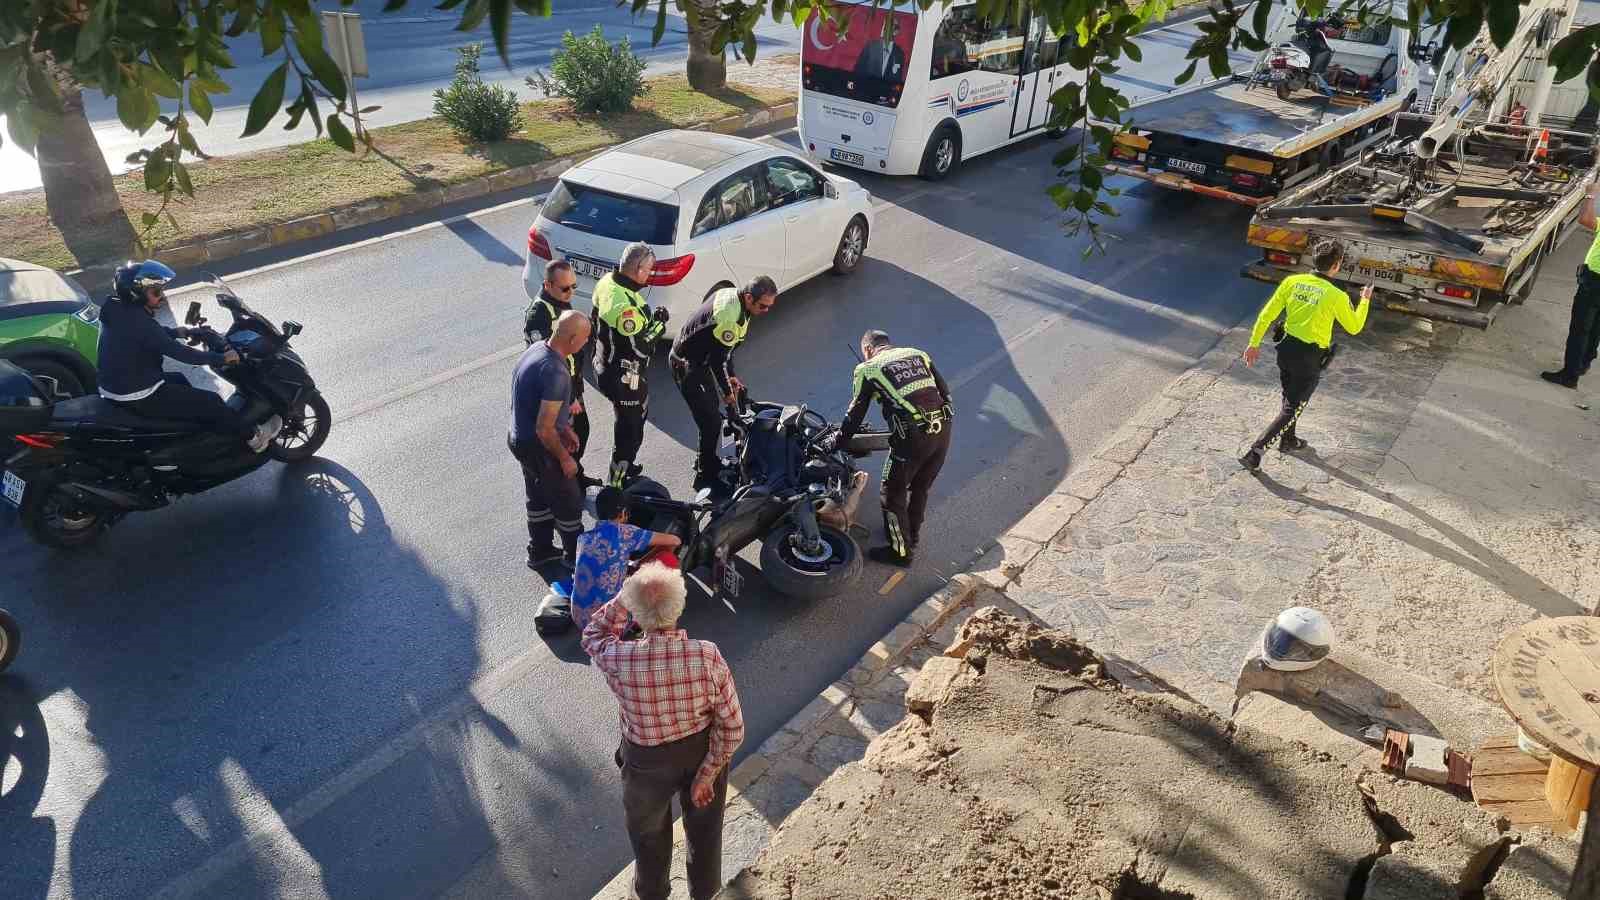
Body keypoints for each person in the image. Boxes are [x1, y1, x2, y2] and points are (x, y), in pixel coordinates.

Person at [582, 562, 744, 900]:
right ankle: (706, 893)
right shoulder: (707, 655)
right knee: (705, 834)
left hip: (644, 764)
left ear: (636, 615)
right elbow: (731, 727)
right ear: (680, 605)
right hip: (700, 751)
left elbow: (592, 634)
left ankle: (652, 893)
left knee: (649, 838)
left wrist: (627, 595)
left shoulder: (620, 659)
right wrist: (707, 772)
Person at [97, 259, 277, 452]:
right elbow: (181, 353)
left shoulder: (120, 311)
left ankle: (195, 435)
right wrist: (222, 358)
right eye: (156, 292)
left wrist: (179, 332)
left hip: (118, 385)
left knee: (179, 379)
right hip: (136, 394)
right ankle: (254, 438)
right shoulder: (140, 322)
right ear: (136, 295)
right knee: (211, 402)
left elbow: (147, 336)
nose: (162, 297)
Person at [1239, 240, 1372, 471]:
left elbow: (1267, 315)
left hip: (1285, 349)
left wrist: (1254, 344)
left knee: (1289, 396)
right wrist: (1365, 300)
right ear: (1336, 265)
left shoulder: (1292, 281)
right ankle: (1256, 452)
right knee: (1293, 406)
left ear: (1314, 259)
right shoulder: (1336, 295)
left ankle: (1288, 440)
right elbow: (1354, 327)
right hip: (1308, 357)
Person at [836, 330, 953, 568]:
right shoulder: (917, 354)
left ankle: (901, 553)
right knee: (921, 486)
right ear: (888, 344)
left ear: (867, 350)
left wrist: (837, 442)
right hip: (943, 428)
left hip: (911, 437)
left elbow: (856, 413)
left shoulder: (867, 369)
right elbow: (945, 392)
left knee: (891, 493)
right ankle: (913, 535)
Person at [669, 276, 778, 493]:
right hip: (687, 366)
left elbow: (725, 351)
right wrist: (727, 392)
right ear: (749, 297)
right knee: (710, 422)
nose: (767, 311)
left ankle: (706, 461)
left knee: (712, 418)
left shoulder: (737, 299)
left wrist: (733, 376)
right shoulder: (728, 317)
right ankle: (704, 476)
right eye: (763, 306)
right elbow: (718, 362)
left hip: (701, 360)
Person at [509, 310, 591, 569]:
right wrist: (565, 458)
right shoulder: (556, 371)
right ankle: (575, 558)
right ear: (573, 338)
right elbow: (544, 430)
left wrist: (564, 428)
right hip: (537, 445)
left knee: (538, 496)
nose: (587, 343)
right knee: (568, 499)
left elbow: (536, 403)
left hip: (519, 439)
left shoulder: (537, 349)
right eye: (586, 338)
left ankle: (540, 550)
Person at [592, 242, 670, 488]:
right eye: (648, 270)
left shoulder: (608, 281)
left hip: (606, 363)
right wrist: (658, 324)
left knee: (633, 421)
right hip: (623, 376)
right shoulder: (624, 307)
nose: (650, 275)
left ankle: (625, 466)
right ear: (637, 269)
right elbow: (641, 347)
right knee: (630, 429)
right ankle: (616, 484)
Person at [525, 258, 599, 487]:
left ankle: (574, 475)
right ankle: (566, 479)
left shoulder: (560, 302)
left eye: (573, 287)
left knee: (581, 431)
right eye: (565, 288)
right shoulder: (539, 314)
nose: (570, 293)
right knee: (567, 435)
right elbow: (548, 362)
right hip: (557, 390)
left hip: (570, 385)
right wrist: (571, 397)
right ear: (548, 285)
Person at [571, 487, 682, 630]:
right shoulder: (625, 533)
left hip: (580, 618)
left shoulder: (583, 539)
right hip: (608, 627)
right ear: (623, 512)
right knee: (667, 559)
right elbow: (675, 541)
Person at [1541, 178, 1600, 389]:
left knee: (1580, 328)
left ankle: (1570, 375)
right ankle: (1584, 363)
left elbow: (1586, 219)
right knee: (1595, 328)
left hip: (1595, 281)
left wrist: (1591, 194)